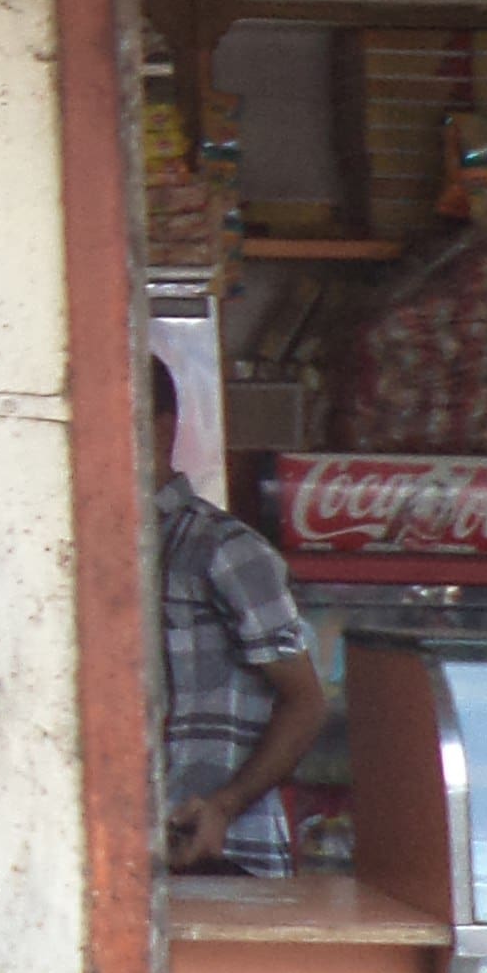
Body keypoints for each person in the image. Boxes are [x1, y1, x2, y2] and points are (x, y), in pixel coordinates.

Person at [152, 359, 322, 875]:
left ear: (158, 428)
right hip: (130, 858)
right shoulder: (85, 551)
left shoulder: (222, 550)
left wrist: (224, 806)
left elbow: (305, 702)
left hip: (224, 860)